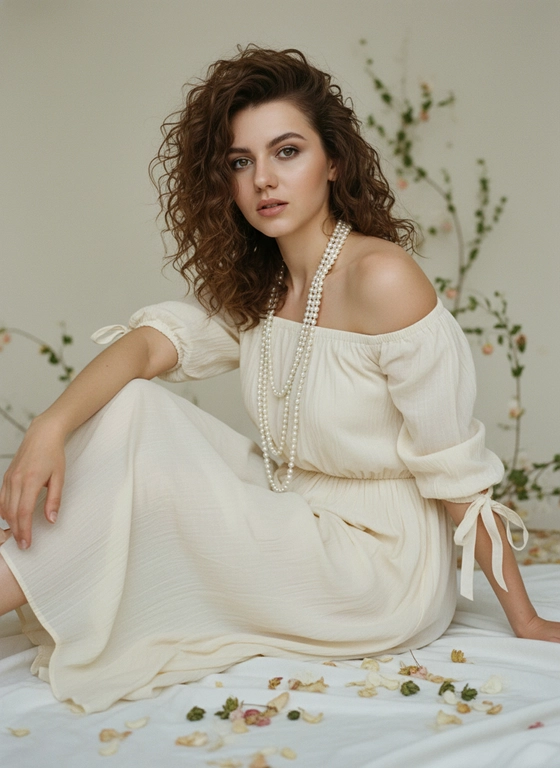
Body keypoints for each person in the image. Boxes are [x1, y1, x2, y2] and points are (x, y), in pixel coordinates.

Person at [0, 45, 558, 714]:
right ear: (225, 181)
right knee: (136, 407)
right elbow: (152, 348)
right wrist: (50, 426)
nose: (263, 178)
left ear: (334, 163)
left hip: (377, 568)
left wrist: (524, 620)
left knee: (141, 443)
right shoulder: (262, 287)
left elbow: (457, 474)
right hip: (293, 508)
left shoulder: (380, 279)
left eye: (287, 151)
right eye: (241, 161)